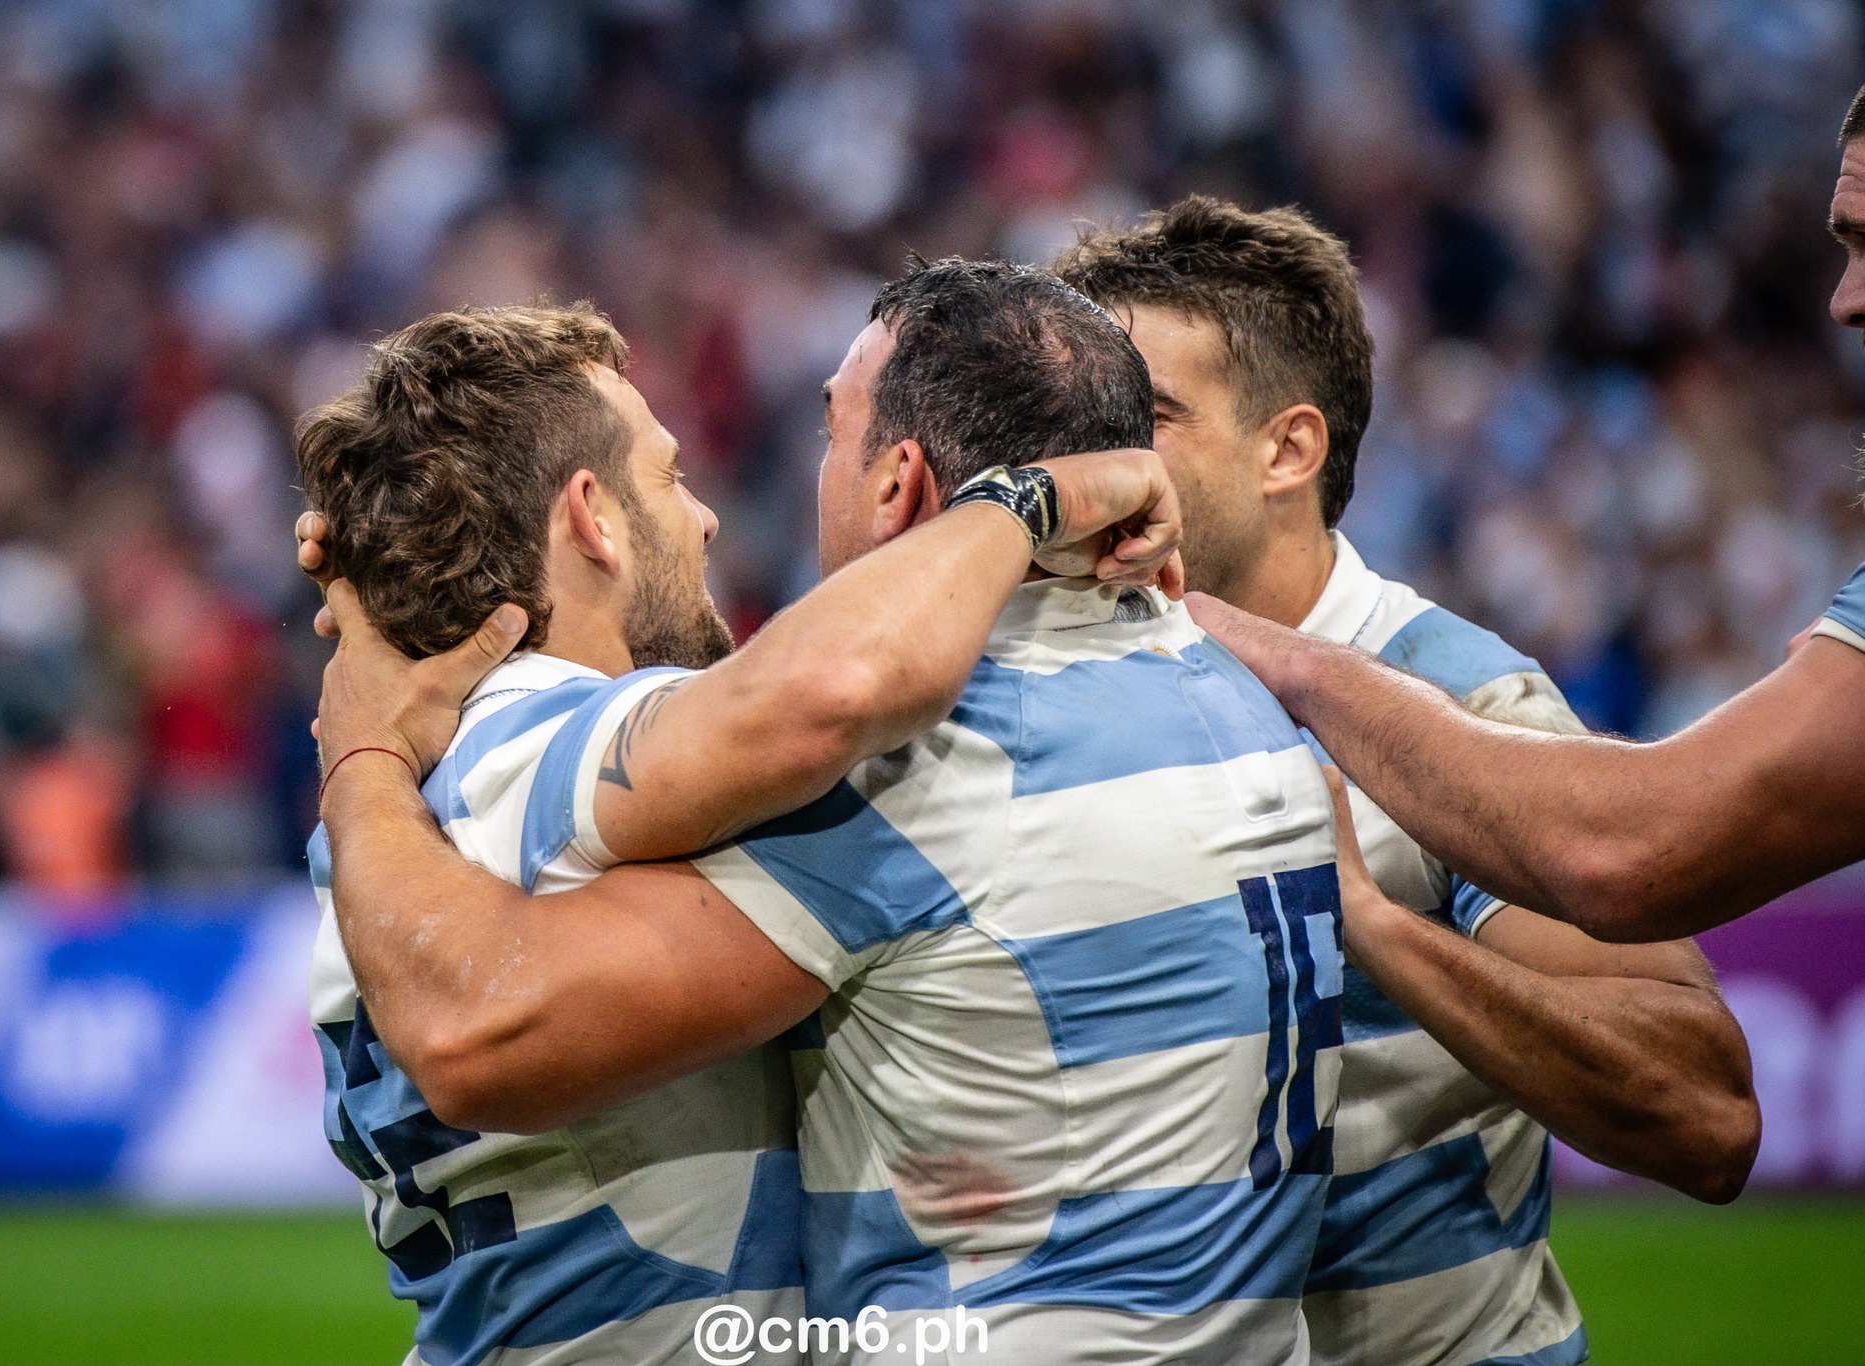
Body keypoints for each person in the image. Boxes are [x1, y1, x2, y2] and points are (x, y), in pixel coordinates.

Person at [311, 259, 1348, 1365]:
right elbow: (812, 691)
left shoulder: (907, 768)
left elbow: (817, 695)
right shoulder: (1249, 715)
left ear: (899, 486)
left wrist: (362, 745)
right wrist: (1040, 496)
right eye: (668, 477)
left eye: (827, 438)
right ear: (592, 521)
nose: (708, 517)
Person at [1049, 198, 1758, 1366]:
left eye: (1145, 416)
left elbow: (1704, 1112)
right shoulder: (1062, 677)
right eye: (1080, 417)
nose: (1095, 456)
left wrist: (1370, 925)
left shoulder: (1459, 700)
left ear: (1287, 449)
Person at [1180, 94, 1865, 948]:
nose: (1845, 300)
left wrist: (1303, 666)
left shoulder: (1460, 678)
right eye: (1845, 248)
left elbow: (1633, 854)